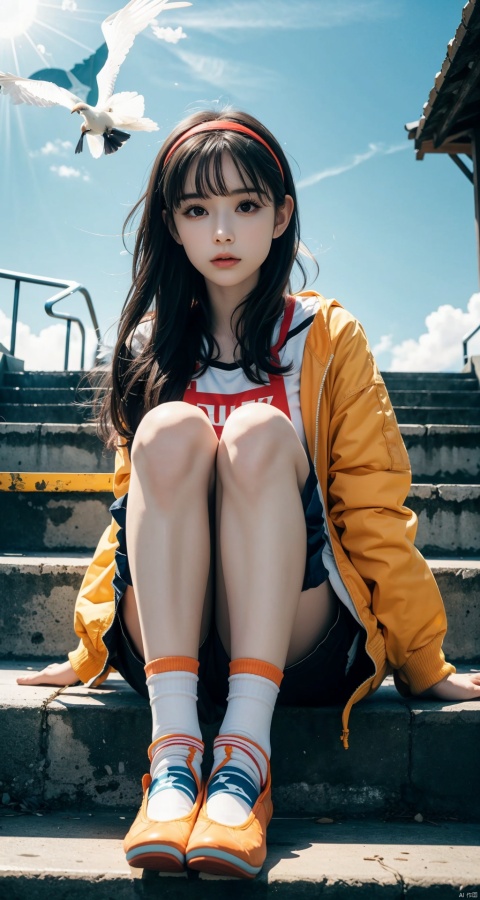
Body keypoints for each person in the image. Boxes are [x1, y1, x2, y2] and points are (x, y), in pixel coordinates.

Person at [18, 109, 480, 878]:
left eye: (245, 206)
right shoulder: (156, 344)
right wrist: (89, 642)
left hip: (295, 628)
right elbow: (128, 517)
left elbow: (371, 506)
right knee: (168, 432)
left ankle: (243, 759)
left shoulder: (324, 337)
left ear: (281, 215)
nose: (222, 231)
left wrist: (423, 659)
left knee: (261, 434)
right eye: (198, 210)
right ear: (173, 225)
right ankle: (172, 758)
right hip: (172, 635)